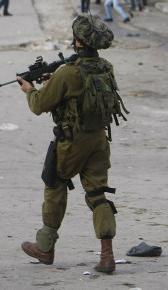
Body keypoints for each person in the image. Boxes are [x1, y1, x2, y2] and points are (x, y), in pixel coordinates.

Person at [18, 14, 125, 273]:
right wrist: (52, 78)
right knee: (98, 194)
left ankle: (45, 248)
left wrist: (30, 89)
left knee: (54, 184)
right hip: (99, 139)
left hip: (72, 141)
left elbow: (39, 106)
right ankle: (107, 255)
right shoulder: (106, 67)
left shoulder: (68, 73)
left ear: (78, 41)